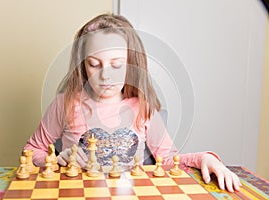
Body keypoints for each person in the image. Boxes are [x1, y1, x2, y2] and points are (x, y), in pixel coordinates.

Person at [23, 13, 241, 192]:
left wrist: (204, 158)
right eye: (94, 64)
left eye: (117, 64)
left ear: (131, 64)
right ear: (82, 65)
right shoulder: (65, 104)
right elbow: (31, 150)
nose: (105, 75)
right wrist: (55, 159)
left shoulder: (142, 108)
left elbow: (168, 161)